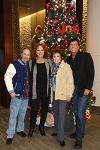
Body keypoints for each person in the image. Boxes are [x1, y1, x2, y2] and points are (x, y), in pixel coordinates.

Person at [67, 38, 95, 149]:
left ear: (78, 46)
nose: (73, 46)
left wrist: (88, 87)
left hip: (83, 89)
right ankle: (80, 131)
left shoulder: (86, 56)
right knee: (75, 111)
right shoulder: (68, 60)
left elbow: (91, 72)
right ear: (69, 47)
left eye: (75, 44)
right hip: (72, 90)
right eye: (71, 44)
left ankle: (79, 139)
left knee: (80, 113)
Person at [4, 48, 31, 145]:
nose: (26, 56)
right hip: (17, 95)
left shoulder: (27, 65)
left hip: (26, 96)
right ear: (21, 54)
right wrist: (11, 91)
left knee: (22, 114)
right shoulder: (14, 64)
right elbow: (7, 76)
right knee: (13, 115)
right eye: (24, 54)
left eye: (28, 54)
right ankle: (10, 135)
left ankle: (20, 130)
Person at [50, 49, 74, 147]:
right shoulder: (52, 66)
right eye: (54, 56)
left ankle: (61, 137)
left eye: (58, 56)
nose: (56, 58)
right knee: (56, 114)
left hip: (63, 95)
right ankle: (56, 130)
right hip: (54, 94)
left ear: (61, 57)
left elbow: (70, 81)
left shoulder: (66, 66)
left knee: (61, 116)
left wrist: (69, 94)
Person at [28, 43, 51, 137]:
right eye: (38, 50)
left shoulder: (49, 62)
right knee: (33, 110)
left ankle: (41, 126)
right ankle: (32, 127)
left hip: (45, 91)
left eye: (42, 50)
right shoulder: (31, 62)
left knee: (44, 109)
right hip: (35, 91)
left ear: (44, 51)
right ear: (35, 51)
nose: (40, 52)